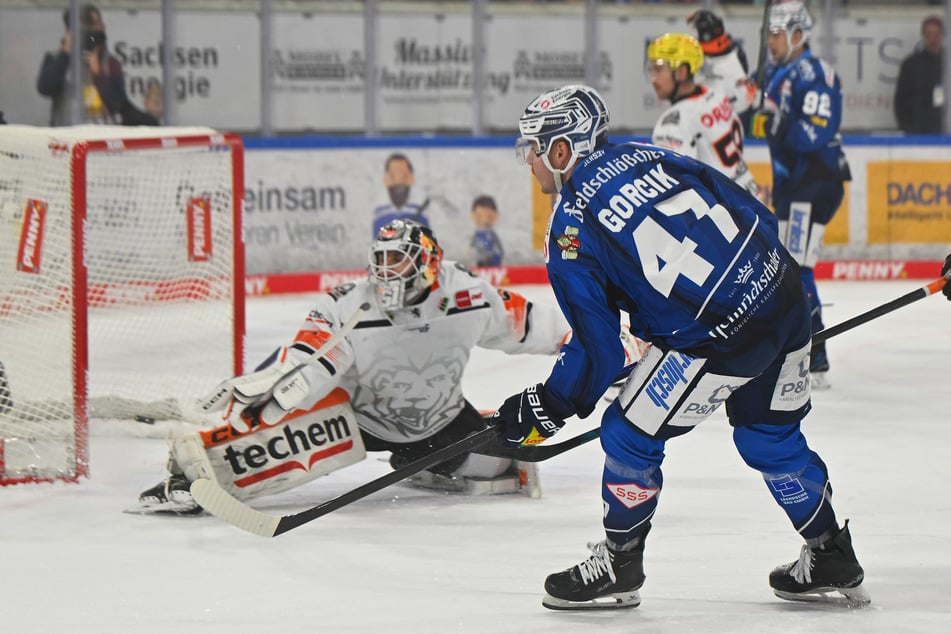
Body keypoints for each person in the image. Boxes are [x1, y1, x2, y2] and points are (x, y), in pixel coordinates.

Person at [495, 84, 868, 611]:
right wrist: (764, 288)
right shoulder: (649, 155)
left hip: (717, 335)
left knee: (627, 433)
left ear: (562, 152)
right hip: (782, 293)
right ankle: (830, 550)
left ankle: (621, 562)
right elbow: (748, 209)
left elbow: (598, 350)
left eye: (534, 147)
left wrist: (547, 406)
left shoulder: (571, 225)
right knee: (769, 439)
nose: (529, 158)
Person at [131, 219, 571, 514]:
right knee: (271, 449)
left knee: (504, 471)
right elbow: (310, 358)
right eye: (380, 261)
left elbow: (532, 324)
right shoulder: (349, 303)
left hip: (441, 420)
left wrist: (592, 347)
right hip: (359, 418)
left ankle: (427, 455)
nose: (385, 272)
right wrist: (281, 380)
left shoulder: (468, 295)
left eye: (397, 260)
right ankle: (194, 477)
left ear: (429, 264)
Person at [751, 0, 850, 389]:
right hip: (797, 185)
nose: (771, 42)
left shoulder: (814, 72)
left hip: (814, 182)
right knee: (792, 267)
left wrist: (774, 125)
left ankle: (815, 355)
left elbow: (817, 130)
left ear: (796, 34)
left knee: (796, 270)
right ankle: (808, 351)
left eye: (776, 35)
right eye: (769, 35)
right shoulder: (779, 72)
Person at [647, 32, 762, 200]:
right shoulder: (716, 91)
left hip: (727, 214)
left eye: (658, 69)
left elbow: (678, 188)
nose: (653, 78)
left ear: (682, 71)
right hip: (752, 196)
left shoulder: (672, 124)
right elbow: (747, 95)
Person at [36, 3, 158, 126]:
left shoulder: (110, 62)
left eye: (94, 28)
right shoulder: (56, 58)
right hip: (69, 137)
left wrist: (98, 73)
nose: (90, 34)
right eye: (85, 30)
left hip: (102, 136)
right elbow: (45, 88)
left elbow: (118, 104)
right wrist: (65, 54)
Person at [686, 8, 756, 131]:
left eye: (698, 31)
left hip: (736, 112)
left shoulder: (734, 52)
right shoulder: (735, 49)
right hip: (713, 115)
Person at [894, 15, 945, 134]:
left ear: (942, 36)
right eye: (928, 35)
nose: (933, 39)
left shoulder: (947, 64)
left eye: (936, 35)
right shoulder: (911, 65)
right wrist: (907, 129)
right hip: (917, 132)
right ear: (923, 36)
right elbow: (900, 101)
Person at [371, 153, 430, 237]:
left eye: (404, 177)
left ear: (411, 179)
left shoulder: (421, 216)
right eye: (393, 176)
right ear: (386, 180)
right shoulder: (379, 216)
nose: (398, 183)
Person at [468, 194, 504, 266]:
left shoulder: (491, 234)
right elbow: (473, 243)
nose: (484, 220)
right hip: (480, 255)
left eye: (489, 216)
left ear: (495, 216)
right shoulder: (477, 234)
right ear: (473, 216)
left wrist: (500, 253)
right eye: (479, 216)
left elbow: (498, 244)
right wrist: (470, 250)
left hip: (490, 255)